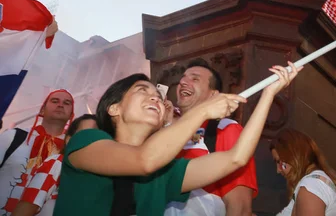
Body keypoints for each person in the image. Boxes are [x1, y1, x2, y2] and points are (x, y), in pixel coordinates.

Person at [54, 62, 301, 216]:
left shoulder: (165, 173)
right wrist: (203, 111)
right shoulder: (86, 141)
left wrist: (268, 95)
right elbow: (144, 160)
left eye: (157, 96)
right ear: (114, 109)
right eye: (143, 90)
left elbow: (236, 159)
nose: (155, 98)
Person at [165, 59, 257, 216]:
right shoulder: (162, 128)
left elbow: (239, 205)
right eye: (183, 78)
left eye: (194, 79)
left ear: (213, 94)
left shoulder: (224, 128)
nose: (183, 82)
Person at [0, 90, 74, 215]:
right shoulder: (13, 136)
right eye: (55, 101)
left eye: (67, 103)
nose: (60, 105)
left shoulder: (71, 150)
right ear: (42, 110)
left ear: (71, 115)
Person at [7, 114, 97, 216]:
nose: (92, 140)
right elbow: (26, 207)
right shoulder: (59, 163)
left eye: (99, 136)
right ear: (68, 140)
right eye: (85, 134)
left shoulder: (104, 177)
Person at [270, 128, 336, 216]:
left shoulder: (311, 186)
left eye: (279, 161)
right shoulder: (314, 184)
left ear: (295, 156)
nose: (278, 170)